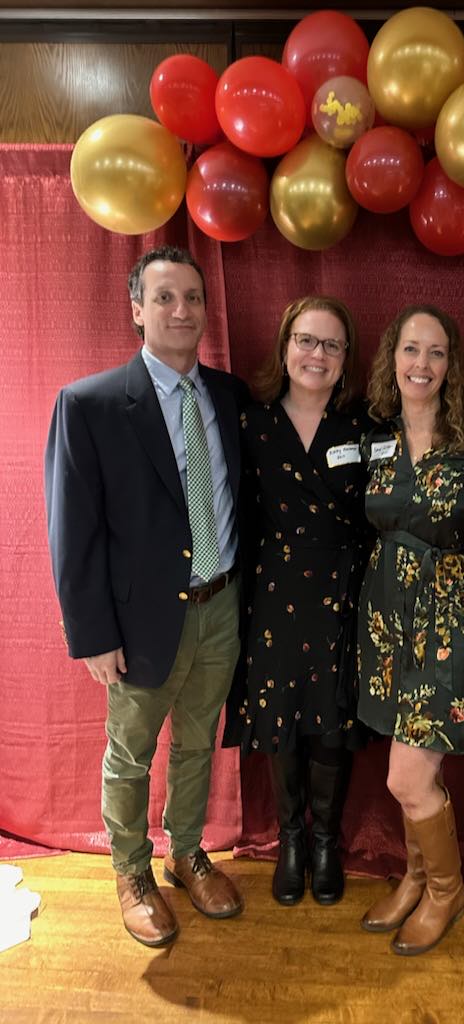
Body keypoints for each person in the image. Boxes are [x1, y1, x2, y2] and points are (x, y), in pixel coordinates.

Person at [45, 245, 249, 947]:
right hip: (138, 621)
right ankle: (130, 870)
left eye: (193, 297)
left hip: (220, 606)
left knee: (199, 742)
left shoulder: (228, 395)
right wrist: (93, 634)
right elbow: (73, 532)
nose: (182, 310)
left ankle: (185, 851)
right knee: (130, 753)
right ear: (137, 309)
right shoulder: (91, 404)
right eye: (164, 298)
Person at [224, 297, 370, 907]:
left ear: (345, 360)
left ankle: (327, 840)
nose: (317, 355)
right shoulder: (251, 424)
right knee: (280, 718)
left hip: (344, 592)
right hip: (274, 588)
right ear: (285, 347)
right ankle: (290, 839)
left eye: (332, 345)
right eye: (307, 341)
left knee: (333, 720)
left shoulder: (365, 427)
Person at [356, 304, 464, 956]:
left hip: (448, 620)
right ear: (393, 357)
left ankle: (446, 890)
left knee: (409, 776)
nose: (422, 364)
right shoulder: (374, 435)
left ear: (451, 363)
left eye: (435, 352)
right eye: (411, 350)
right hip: (387, 617)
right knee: (401, 765)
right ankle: (414, 877)